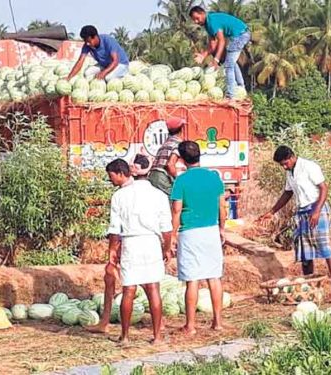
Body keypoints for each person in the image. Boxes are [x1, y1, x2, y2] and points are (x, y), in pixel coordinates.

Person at [87, 158, 172, 345]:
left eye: (111, 177)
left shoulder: (119, 196)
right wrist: (167, 249)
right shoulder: (159, 195)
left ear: (124, 173)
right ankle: (157, 336)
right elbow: (166, 228)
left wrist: (112, 251)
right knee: (153, 289)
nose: (111, 181)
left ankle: (125, 337)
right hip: (151, 242)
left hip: (131, 243)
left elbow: (115, 230)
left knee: (129, 290)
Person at [257, 146, 331, 302]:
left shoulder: (309, 166)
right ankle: (308, 289)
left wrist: (316, 211)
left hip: (317, 208)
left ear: (292, 157)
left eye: (285, 163)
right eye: (281, 165)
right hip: (302, 211)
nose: (284, 167)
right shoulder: (290, 172)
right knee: (305, 252)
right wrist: (272, 211)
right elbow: (288, 193)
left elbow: (323, 188)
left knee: (326, 248)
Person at [170, 141, 227, 334]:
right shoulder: (214, 177)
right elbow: (222, 206)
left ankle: (191, 325)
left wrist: (172, 235)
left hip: (189, 233)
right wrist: (222, 228)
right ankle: (218, 322)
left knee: (192, 280)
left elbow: (176, 210)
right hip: (211, 230)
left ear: (182, 159)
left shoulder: (181, 180)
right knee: (214, 277)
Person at [190, 6, 250, 99]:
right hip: (239, 35)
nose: (196, 22)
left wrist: (216, 60)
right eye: (194, 20)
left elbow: (221, 41)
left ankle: (231, 95)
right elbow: (213, 45)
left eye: (197, 18)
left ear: (202, 13)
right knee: (231, 63)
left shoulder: (212, 21)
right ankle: (241, 87)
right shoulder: (208, 24)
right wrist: (203, 55)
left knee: (228, 65)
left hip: (241, 35)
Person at [149, 117, 185, 196]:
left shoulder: (166, 143)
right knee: (176, 197)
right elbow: (170, 164)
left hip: (153, 175)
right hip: (161, 177)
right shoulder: (178, 143)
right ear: (182, 129)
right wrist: (178, 180)